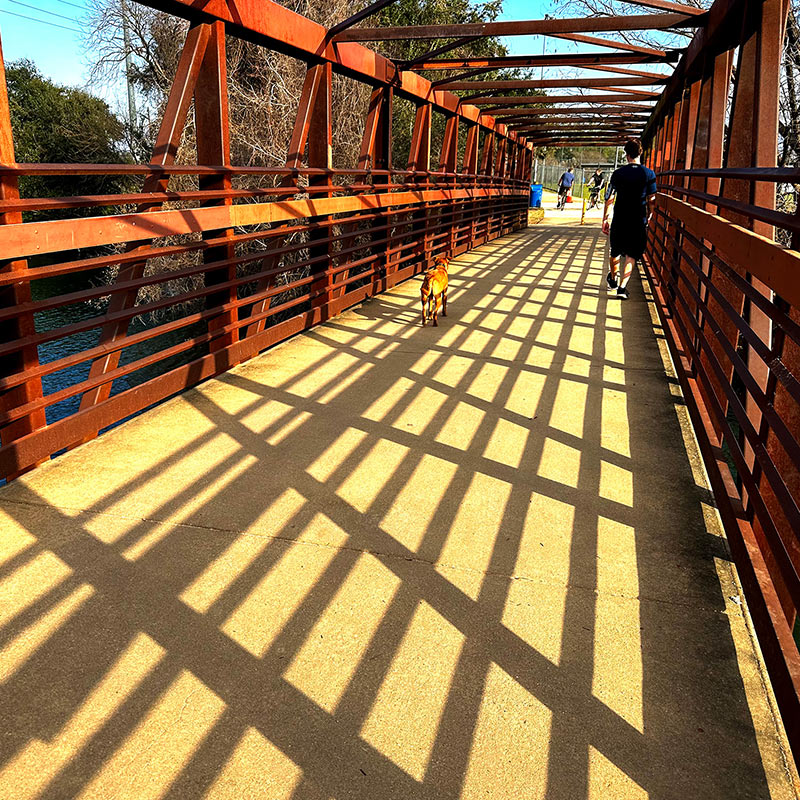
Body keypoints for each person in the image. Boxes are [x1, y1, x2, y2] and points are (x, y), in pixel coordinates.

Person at [601, 139, 657, 300]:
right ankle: (622, 287)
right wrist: (650, 214)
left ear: (626, 155)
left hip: (620, 218)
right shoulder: (649, 174)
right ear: (640, 153)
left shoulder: (618, 174)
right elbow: (652, 198)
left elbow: (609, 197)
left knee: (615, 251)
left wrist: (605, 218)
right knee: (632, 254)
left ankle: (613, 277)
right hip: (638, 220)